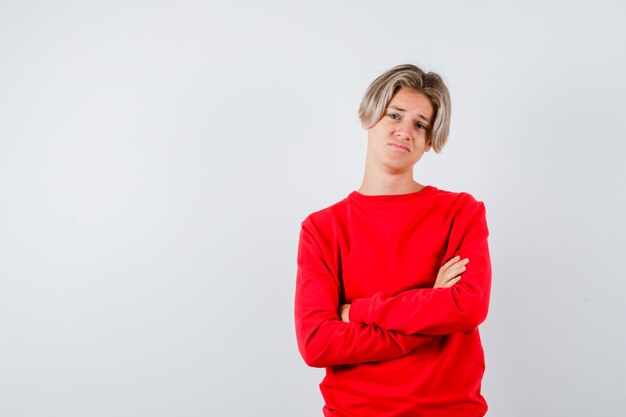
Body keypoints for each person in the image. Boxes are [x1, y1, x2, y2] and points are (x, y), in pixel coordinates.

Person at [294, 64, 492, 417]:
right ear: (369, 117)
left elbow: (468, 307)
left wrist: (359, 311)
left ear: (430, 140)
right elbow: (317, 343)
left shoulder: (461, 212)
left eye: (420, 124)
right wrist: (430, 311)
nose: (405, 131)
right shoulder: (322, 229)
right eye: (394, 115)